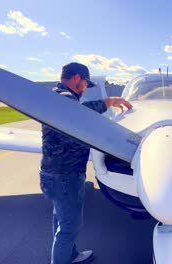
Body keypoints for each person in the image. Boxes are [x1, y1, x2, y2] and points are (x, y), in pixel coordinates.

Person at [39, 62, 132, 264]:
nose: (84, 89)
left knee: (61, 220)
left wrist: (108, 101)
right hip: (65, 177)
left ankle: (71, 256)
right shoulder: (64, 100)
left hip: (52, 174)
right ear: (76, 79)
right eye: (84, 84)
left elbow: (78, 112)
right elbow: (76, 112)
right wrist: (108, 104)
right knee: (69, 227)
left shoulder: (55, 97)